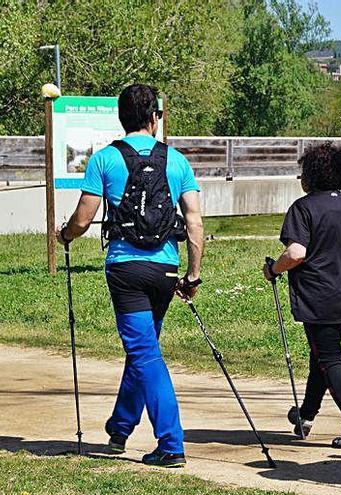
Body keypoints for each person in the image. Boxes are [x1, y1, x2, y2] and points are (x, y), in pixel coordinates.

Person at [57, 84, 203, 467]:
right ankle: (120, 428)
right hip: (166, 268)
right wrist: (193, 273)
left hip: (126, 269)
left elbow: (83, 219)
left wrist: (64, 235)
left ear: (121, 118)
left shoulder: (104, 159)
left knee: (144, 354)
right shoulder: (177, 161)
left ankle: (171, 444)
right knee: (144, 350)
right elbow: (194, 221)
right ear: (154, 117)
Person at [264, 143, 341, 449]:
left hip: (317, 296)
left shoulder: (303, 208)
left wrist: (274, 270)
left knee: (329, 358)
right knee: (323, 353)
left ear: (312, 175)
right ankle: (305, 415)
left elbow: (296, 252)